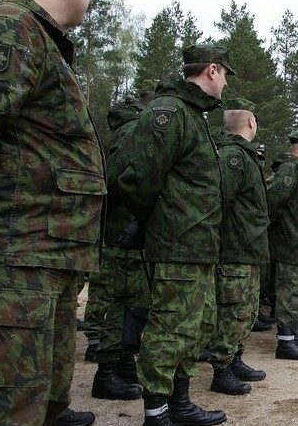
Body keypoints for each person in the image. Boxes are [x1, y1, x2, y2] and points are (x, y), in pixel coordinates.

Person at [0, 0, 103, 425]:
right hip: (13, 260)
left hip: (43, 258)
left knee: (40, 401)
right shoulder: (10, 30)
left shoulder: (38, 38)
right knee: (9, 408)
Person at [117, 44, 233, 426]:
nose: (227, 82)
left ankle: (180, 402)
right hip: (176, 244)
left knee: (193, 328)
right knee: (168, 330)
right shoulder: (168, 112)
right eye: (226, 74)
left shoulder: (194, 115)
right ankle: (156, 412)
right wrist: (159, 224)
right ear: (212, 71)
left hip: (199, 246)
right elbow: (140, 180)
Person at [90, 85, 158, 402]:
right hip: (124, 236)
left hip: (127, 233)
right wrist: (133, 211)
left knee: (133, 306)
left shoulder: (130, 129)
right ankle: (106, 375)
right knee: (122, 308)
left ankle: (123, 364)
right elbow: (118, 179)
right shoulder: (135, 130)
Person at [206, 107, 270, 396]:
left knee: (246, 310)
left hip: (248, 247)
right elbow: (220, 200)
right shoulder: (232, 156)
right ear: (249, 122)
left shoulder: (245, 155)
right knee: (233, 311)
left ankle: (234, 359)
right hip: (235, 248)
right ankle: (221, 370)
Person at [267, 129, 298, 360]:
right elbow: (272, 204)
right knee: (289, 293)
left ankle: (294, 334)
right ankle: (285, 343)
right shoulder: (289, 170)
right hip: (290, 244)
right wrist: (285, 232)